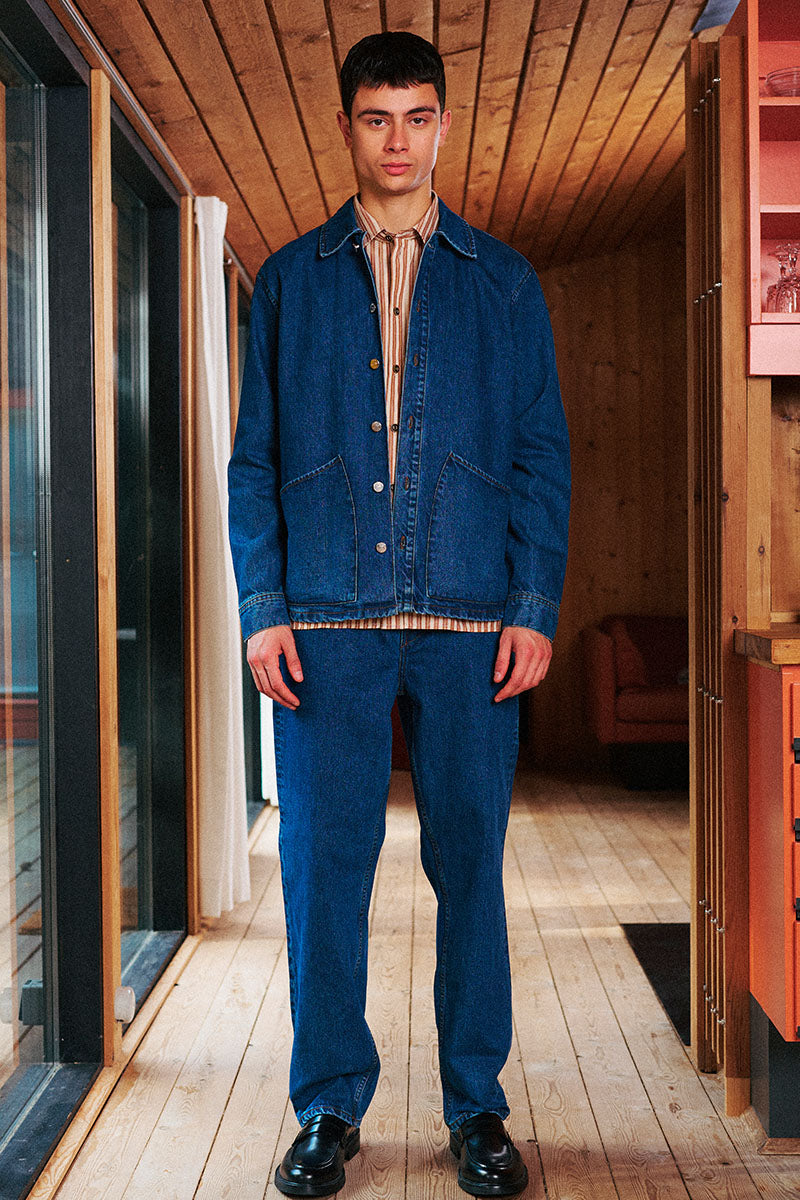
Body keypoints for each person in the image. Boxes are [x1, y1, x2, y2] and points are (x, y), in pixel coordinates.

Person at [228, 30, 570, 1198]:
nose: (397, 141)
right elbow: (252, 463)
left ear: (442, 126)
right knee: (324, 873)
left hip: (471, 619)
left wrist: (532, 601)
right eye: (376, 118)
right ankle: (327, 1107)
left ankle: (476, 1106)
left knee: (469, 869)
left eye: (417, 117)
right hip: (324, 621)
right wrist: (261, 607)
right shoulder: (289, 280)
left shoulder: (502, 281)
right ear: (346, 127)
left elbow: (538, 456)